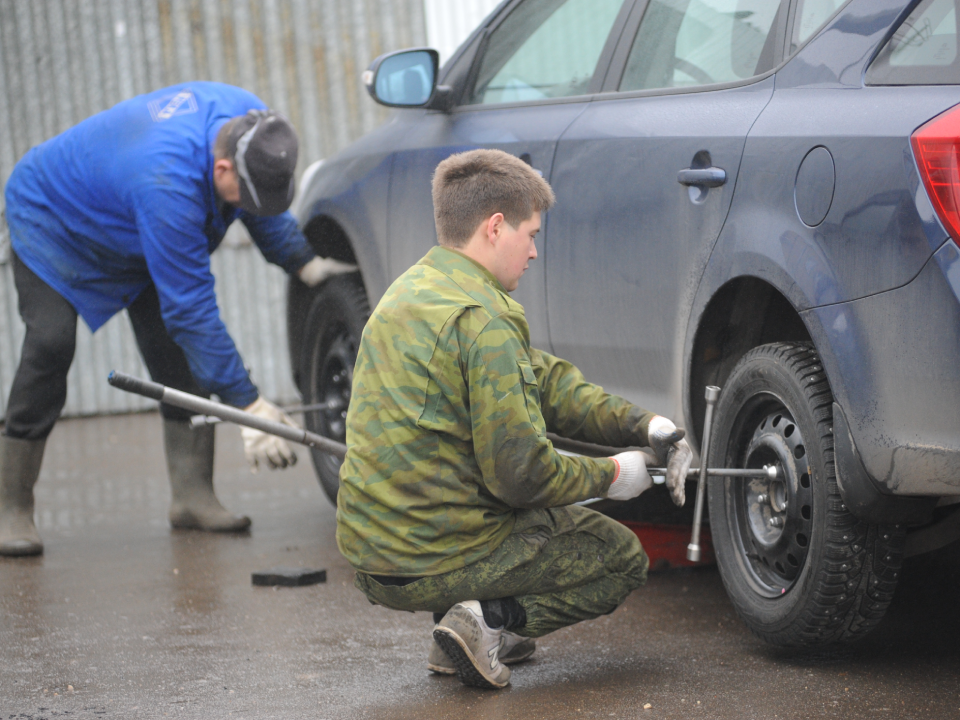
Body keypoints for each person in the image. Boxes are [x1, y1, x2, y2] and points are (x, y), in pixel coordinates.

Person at [336, 148, 693, 689]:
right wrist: (615, 477)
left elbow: (545, 382)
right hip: (432, 555)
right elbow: (522, 475)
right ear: (495, 227)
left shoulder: (408, 292)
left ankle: (457, 632)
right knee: (621, 558)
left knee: (477, 499)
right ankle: (490, 623)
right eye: (531, 235)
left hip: (370, 553)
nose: (532, 253)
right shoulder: (485, 321)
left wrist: (645, 426)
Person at [0, 82, 355, 557]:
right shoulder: (167, 184)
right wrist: (248, 406)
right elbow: (190, 309)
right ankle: (10, 506)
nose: (247, 202)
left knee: (178, 358)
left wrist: (304, 262)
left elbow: (257, 201)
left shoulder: (254, 128)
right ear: (221, 166)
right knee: (50, 344)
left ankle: (192, 497)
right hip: (55, 221)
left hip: (132, 224)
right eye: (239, 190)